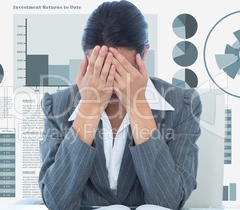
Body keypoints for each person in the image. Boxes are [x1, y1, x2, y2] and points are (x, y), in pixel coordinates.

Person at [38, 1, 202, 210]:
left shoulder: (183, 106)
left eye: (121, 69)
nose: (110, 81)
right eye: (101, 67)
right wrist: (89, 105)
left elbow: (169, 203)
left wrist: (137, 105)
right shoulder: (56, 106)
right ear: (87, 61)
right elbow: (57, 203)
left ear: (143, 55)